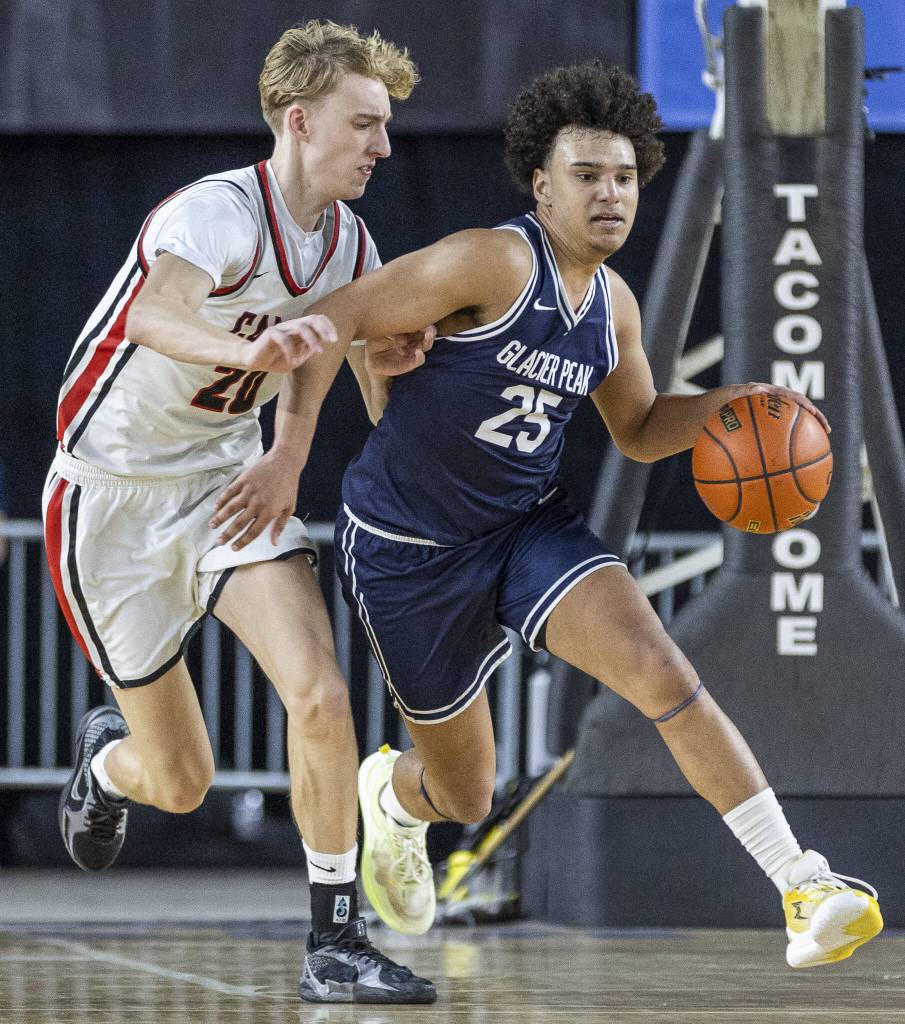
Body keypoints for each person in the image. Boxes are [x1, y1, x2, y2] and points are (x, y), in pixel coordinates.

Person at [213, 61, 883, 969]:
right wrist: (290, 452)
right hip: (409, 552)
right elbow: (331, 318)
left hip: (528, 528)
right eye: (586, 176)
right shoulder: (489, 261)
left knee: (660, 672)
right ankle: (395, 799)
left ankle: (803, 882)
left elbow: (642, 429)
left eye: (623, 178)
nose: (609, 195)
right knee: (466, 792)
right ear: (541, 183)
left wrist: (735, 408)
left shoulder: (611, 306)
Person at [42, 20, 436, 1005]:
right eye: (363, 125)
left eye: (384, 127)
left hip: (229, 478)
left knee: (323, 695)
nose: (381, 146)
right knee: (177, 781)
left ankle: (333, 941)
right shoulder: (214, 214)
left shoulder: (349, 241)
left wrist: (294, 453)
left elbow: (325, 357)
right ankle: (105, 761)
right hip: (113, 495)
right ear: (299, 124)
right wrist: (243, 349)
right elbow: (153, 314)